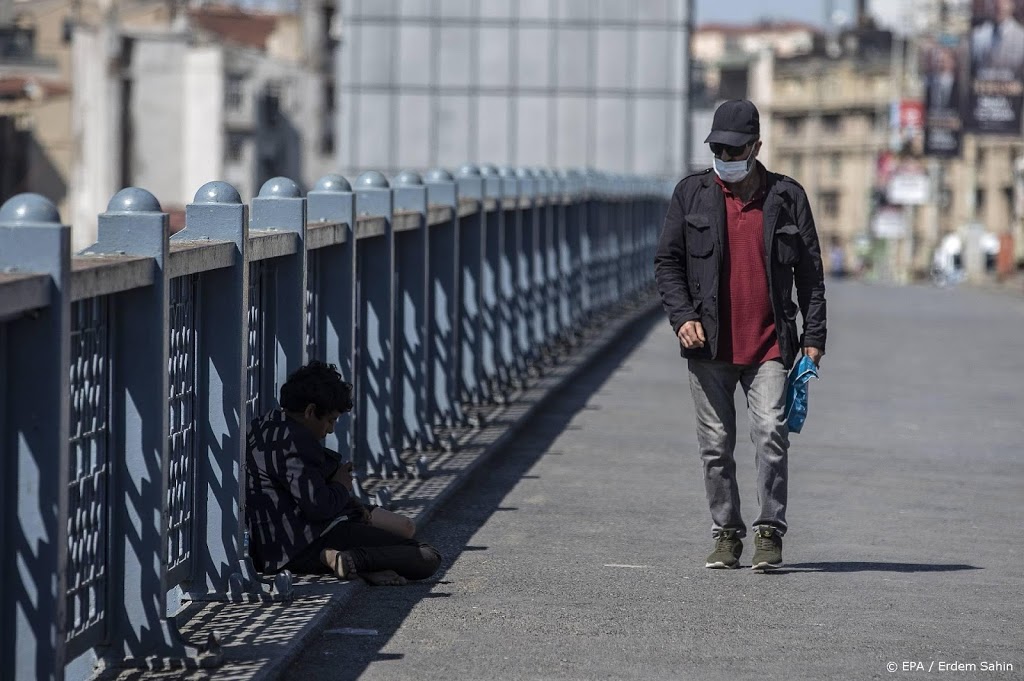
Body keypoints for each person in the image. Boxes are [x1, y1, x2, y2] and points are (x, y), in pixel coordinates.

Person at [653, 99, 827, 571]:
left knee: (770, 430)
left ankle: (769, 530)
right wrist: (681, 316)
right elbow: (667, 263)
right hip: (707, 345)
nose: (726, 158)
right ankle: (726, 533)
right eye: (718, 150)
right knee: (716, 445)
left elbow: (810, 275)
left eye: (735, 150)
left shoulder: (787, 197)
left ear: (756, 147)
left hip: (769, 344)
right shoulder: (691, 194)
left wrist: (813, 337)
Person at [245, 361, 442, 586]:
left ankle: (351, 564)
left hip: (271, 549)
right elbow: (318, 506)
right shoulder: (296, 441)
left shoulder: (265, 426)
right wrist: (341, 485)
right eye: (330, 420)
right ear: (310, 411)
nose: (330, 429)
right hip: (306, 544)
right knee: (427, 556)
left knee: (405, 528)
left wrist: (351, 504)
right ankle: (353, 560)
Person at [971, 0, 1024, 77]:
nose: (999, 5)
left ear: (1012, 5)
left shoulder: (1021, 36)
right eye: (994, 1)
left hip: (1013, 85)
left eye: (1004, 2)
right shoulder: (977, 35)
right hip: (981, 85)